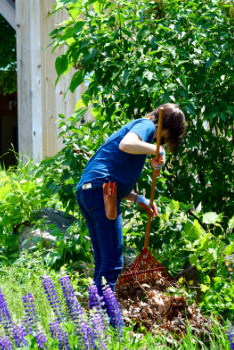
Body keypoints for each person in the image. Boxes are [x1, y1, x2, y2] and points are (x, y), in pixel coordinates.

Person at [76, 103, 187, 290]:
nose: (164, 142)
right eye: (167, 138)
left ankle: (95, 316)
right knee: (112, 263)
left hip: (89, 191)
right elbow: (126, 144)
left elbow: (113, 176)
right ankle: (108, 318)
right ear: (168, 128)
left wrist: (138, 199)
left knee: (103, 261)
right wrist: (157, 150)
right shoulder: (147, 126)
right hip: (101, 191)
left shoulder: (142, 132)